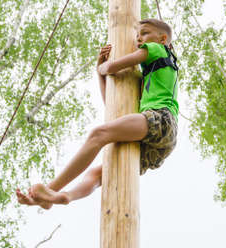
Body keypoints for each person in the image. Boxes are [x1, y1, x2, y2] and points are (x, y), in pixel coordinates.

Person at [16, 18, 178, 209]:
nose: (138, 39)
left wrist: (104, 67)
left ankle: (50, 190)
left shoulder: (159, 49)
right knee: (99, 173)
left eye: (144, 33)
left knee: (98, 134)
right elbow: (113, 108)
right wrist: (99, 74)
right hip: (160, 142)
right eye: (137, 35)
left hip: (162, 119)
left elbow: (111, 67)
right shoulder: (153, 75)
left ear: (162, 38)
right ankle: (64, 196)